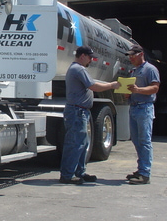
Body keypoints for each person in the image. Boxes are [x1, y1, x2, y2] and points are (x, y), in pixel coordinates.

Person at [59, 45, 121, 184]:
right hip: (77, 111)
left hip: (80, 111)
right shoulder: (78, 69)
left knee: (82, 143)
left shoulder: (78, 69)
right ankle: (67, 175)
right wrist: (111, 85)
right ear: (82, 56)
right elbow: (93, 86)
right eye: (90, 57)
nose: (91, 60)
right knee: (75, 144)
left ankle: (79, 172)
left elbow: (92, 84)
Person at [125, 44, 160, 185]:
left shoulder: (150, 69)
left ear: (141, 54)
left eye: (133, 55)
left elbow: (155, 87)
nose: (131, 58)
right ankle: (141, 169)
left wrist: (138, 90)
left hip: (144, 108)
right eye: (129, 55)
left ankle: (145, 173)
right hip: (134, 107)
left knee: (144, 141)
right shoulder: (133, 71)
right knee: (136, 140)